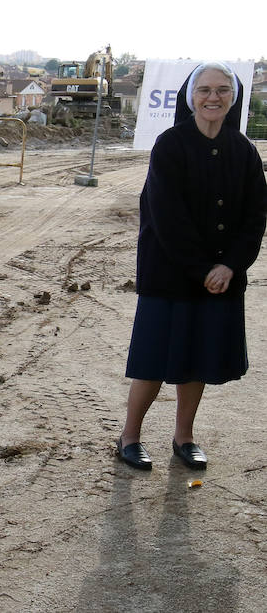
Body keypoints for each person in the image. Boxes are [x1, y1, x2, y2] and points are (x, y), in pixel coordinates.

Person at [117, 61, 267, 471]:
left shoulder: (244, 151)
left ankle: (184, 437)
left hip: (221, 279)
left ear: (233, 98)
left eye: (222, 90)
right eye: (204, 90)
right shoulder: (170, 145)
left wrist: (231, 266)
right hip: (170, 274)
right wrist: (204, 268)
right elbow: (167, 218)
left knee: (196, 359)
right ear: (191, 96)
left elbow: (255, 218)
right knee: (153, 360)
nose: (213, 97)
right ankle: (129, 437)